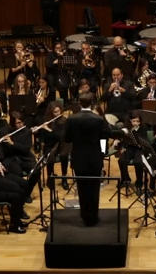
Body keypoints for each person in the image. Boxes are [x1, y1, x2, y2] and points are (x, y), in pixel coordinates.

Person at [63, 92, 118, 226]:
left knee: (81, 187)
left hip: (79, 158)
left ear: (79, 103)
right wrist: (103, 153)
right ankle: (93, 216)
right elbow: (106, 136)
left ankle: (84, 216)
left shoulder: (72, 119)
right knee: (94, 188)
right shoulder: (98, 119)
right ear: (92, 102)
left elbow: (67, 139)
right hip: (95, 158)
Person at [38, 102, 69, 190]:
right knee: (49, 155)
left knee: (64, 156)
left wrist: (48, 129)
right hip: (50, 145)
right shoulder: (46, 120)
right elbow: (43, 138)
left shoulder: (64, 121)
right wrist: (39, 130)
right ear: (51, 113)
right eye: (55, 112)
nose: (57, 113)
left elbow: (60, 137)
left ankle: (64, 178)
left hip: (60, 144)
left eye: (58, 111)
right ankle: (50, 177)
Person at [116, 111, 148, 190]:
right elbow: (123, 137)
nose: (135, 123)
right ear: (130, 121)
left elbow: (144, 141)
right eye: (134, 121)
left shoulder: (143, 128)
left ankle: (139, 183)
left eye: (137, 121)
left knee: (138, 162)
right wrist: (118, 140)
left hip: (140, 149)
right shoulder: (127, 128)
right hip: (130, 148)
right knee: (121, 161)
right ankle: (125, 180)